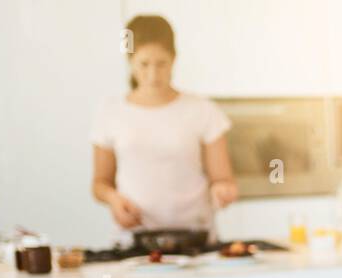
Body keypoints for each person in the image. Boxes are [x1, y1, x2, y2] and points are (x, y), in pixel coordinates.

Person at [90, 14, 237, 241]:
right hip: (134, 239)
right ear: (130, 61)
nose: (153, 74)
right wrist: (114, 200)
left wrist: (223, 190)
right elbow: (100, 184)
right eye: (144, 64)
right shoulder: (110, 112)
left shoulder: (203, 110)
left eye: (161, 64)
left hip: (195, 238)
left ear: (174, 59)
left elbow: (223, 179)